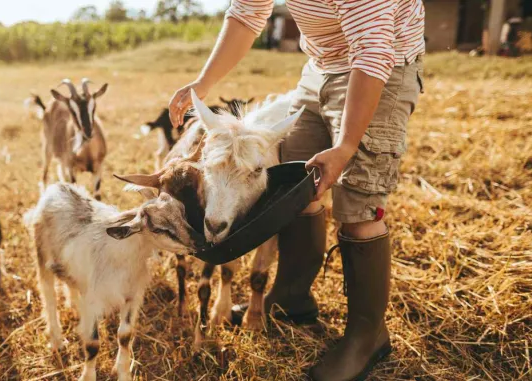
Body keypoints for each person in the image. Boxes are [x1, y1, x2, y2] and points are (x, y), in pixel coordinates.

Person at [168, 1, 425, 380]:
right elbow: (246, 14)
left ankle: (367, 336)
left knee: (358, 207)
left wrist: (347, 146)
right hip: (319, 69)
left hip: (379, 67)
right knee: (297, 186)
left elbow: (373, 50)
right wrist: (203, 85)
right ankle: (292, 299)